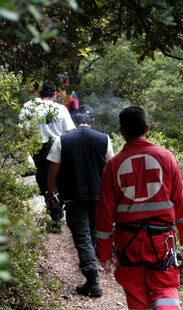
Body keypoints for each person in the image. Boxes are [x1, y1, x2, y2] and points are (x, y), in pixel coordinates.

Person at [96, 106, 183, 309]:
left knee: (137, 294)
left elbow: (104, 213)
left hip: (128, 242)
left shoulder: (113, 166)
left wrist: (104, 251)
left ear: (122, 132)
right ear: (147, 128)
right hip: (161, 241)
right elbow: (180, 200)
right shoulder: (166, 158)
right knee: (165, 288)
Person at [46, 105, 114, 297]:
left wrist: (50, 193)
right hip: (98, 196)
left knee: (82, 237)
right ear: (92, 120)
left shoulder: (63, 139)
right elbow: (111, 168)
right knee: (91, 233)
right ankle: (90, 268)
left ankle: (92, 280)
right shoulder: (104, 139)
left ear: (75, 121)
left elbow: (54, 170)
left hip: (74, 196)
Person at [20, 81, 75, 232]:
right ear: (55, 95)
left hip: (38, 148)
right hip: (58, 148)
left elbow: (22, 131)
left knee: (45, 181)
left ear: (40, 93)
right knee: (59, 179)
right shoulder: (61, 109)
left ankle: (54, 215)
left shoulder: (28, 107)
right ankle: (57, 211)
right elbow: (70, 131)